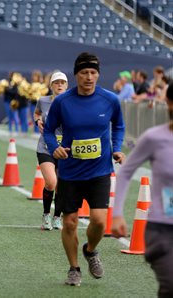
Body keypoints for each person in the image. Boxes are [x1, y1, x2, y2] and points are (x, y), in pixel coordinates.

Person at [44, 52, 126, 286]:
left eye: (93, 73)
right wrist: (55, 148)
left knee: (99, 221)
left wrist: (117, 148)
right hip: (70, 172)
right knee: (69, 222)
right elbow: (49, 130)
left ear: (98, 74)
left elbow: (118, 125)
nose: (89, 77)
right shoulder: (63, 101)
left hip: (99, 171)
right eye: (84, 73)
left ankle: (90, 251)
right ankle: (74, 268)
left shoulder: (110, 99)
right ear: (76, 75)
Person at [112, 84, 173, 297]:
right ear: (169, 104)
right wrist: (117, 213)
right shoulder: (154, 138)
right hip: (162, 229)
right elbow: (126, 172)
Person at [33, 71, 68, 230]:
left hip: (66, 149)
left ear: (67, 85)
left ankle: (57, 217)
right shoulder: (43, 100)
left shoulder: (73, 102)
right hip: (46, 147)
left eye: (62, 82)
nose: (59, 85)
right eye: (56, 82)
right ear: (51, 85)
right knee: (51, 182)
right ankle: (46, 214)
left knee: (63, 185)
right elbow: (37, 113)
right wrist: (37, 120)